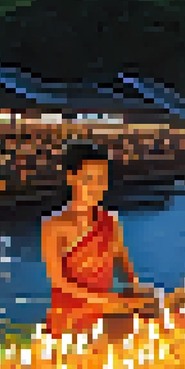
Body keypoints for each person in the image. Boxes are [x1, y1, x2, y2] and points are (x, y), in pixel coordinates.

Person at [41, 141, 152, 337]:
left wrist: (137, 295)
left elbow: (125, 268)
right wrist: (109, 300)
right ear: (72, 177)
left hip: (103, 317)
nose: (96, 186)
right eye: (89, 179)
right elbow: (59, 282)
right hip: (69, 322)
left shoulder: (110, 221)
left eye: (102, 179)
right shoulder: (54, 227)